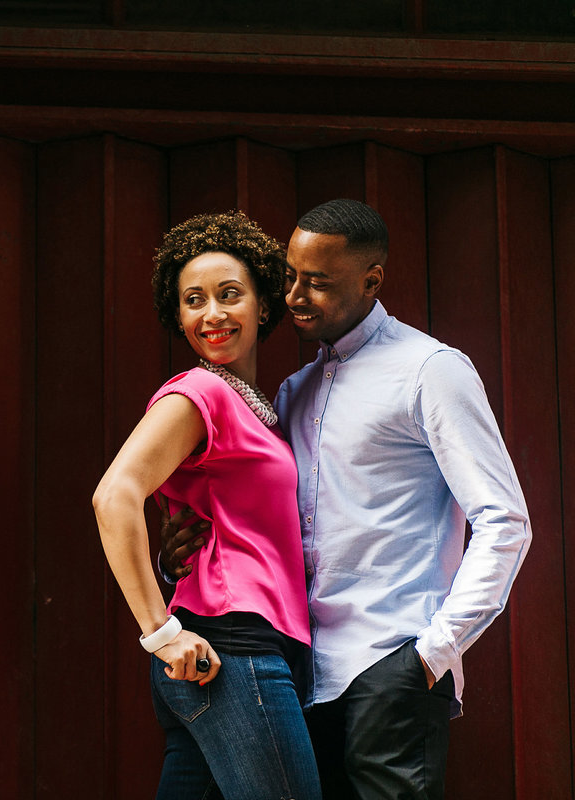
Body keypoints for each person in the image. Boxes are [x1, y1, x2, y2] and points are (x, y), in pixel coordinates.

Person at [161, 199, 531, 800]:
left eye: (319, 283)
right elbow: (265, 526)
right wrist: (177, 554)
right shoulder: (293, 390)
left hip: (390, 667)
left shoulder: (429, 370)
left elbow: (505, 520)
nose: (295, 296)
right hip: (303, 682)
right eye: (291, 277)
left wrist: (431, 653)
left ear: (372, 280)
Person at [93, 211, 321, 800]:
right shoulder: (199, 392)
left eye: (229, 295)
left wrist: (175, 567)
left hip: (239, 652)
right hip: (231, 651)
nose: (211, 314)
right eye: (193, 300)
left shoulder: (257, 411)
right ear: (179, 315)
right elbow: (115, 495)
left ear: (264, 305)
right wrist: (159, 632)